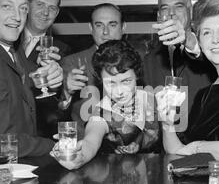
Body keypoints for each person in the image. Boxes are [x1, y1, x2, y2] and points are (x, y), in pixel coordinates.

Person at [156, 0, 219, 162]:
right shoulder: (204, 95)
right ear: (200, 41)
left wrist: (198, 147)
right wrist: (166, 121)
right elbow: (177, 149)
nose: (215, 39)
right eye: (207, 32)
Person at [0, 0, 63, 157]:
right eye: (7, 6)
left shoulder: (11, 47)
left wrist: (49, 79)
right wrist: (56, 147)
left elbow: (19, 90)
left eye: (23, 8)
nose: (17, 17)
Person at [51, 39, 160, 170]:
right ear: (101, 81)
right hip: (119, 181)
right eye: (111, 83)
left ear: (136, 75)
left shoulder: (150, 97)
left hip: (159, 174)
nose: (119, 91)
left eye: (126, 81)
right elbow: (90, 141)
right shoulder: (102, 113)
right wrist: (80, 157)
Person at [143, 0, 217, 131]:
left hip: (207, 143)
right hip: (167, 144)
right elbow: (148, 115)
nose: (171, 13)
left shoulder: (210, 47)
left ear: (190, 12)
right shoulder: (149, 61)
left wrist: (188, 40)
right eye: (165, 8)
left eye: (178, 6)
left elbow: (210, 60)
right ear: (159, 16)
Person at [60, 3, 126, 136]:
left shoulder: (137, 61)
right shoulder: (72, 63)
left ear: (123, 27)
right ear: (91, 28)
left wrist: (136, 141)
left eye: (112, 25)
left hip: (127, 146)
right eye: (99, 25)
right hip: (84, 145)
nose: (105, 32)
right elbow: (54, 112)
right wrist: (66, 92)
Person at [19, 0, 72, 139]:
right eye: (40, 5)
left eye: (52, 8)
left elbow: (58, 108)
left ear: (57, 13)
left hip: (38, 134)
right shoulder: (8, 38)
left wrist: (63, 89)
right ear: (27, 6)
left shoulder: (62, 51)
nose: (46, 12)